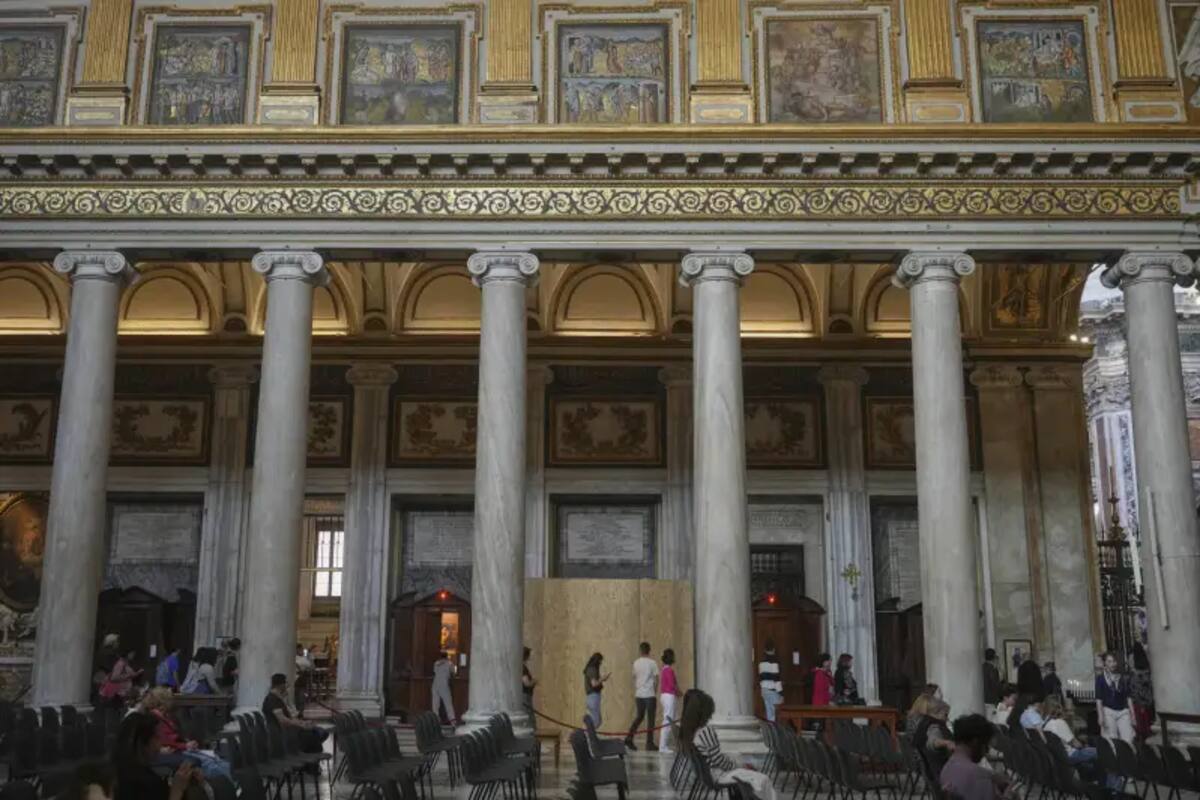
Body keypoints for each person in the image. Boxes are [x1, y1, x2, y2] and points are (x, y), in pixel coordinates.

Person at [677, 689, 779, 800]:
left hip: (711, 775)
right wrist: (740, 766)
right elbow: (719, 761)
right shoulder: (705, 732)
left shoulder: (691, 732)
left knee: (749, 772)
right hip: (719, 775)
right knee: (764, 779)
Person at [141, 688, 232, 780]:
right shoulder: (154, 718)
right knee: (209, 762)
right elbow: (165, 741)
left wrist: (186, 743)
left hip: (179, 749)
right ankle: (232, 782)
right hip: (175, 751)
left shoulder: (162, 716)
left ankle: (234, 781)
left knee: (215, 759)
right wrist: (186, 745)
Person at [112, 712, 203, 800]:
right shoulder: (149, 784)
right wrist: (177, 790)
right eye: (157, 737)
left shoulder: (109, 775)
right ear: (143, 743)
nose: (160, 745)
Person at [941, 714, 1007, 800]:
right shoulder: (979, 777)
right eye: (986, 745)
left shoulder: (947, 769)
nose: (986, 751)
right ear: (975, 742)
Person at [263, 673, 328, 754]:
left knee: (320, 733)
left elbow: (290, 717)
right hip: (282, 735)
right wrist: (301, 725)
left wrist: (303, 723)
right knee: (317, 735)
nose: (286, 686)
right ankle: (306, 762)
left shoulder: (278, 699)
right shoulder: (272, 699)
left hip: (288, 732)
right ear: (280, 685)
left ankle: (309, 763)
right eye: (285, 683)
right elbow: (283, 721)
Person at [625, 641, 659, 751]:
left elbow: (634, 676)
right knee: (650, 720)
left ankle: (629, 737)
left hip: (639, 694)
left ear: (640, 651)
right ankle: (649, 744)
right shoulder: (652, 663)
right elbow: (656, 679)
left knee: (639, 717)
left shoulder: (636, 663)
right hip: (649, 694)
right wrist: (654, 691)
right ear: (649, 650)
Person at [1095, 652, 1134, 742]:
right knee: (1112, 740)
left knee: (1128, 739)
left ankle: (1127, 755)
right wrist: (1100, 716)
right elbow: (1099, 699)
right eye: (1109, 661)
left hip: (1123, 711)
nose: (1112, 664)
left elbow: (1128, 697)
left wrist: (1133, 715)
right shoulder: (1100, 679)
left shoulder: (1123, 677)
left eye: (1114, 661)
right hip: (1108, 711)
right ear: (1105, 663)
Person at [914, 698, 955, 775]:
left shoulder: (923, 724)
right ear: (936, 713)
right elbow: (933, 741)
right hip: (942, 772)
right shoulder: (934, 726)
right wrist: (947, 742)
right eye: (945, 715)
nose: (947, 718)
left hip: (932, 770)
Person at [1129, 643, 1154, 742]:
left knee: (1141, 728)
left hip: (1139, 704)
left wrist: (1141, 704)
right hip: (1148, 702)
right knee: (1147, 727)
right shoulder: (1147, 670)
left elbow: (1136, 689)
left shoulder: (1136, 674)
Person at [659, 648, 681, 754]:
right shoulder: (669, 670)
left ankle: (674, 743)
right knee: (667, 721)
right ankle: (663, 746)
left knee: (673, 719)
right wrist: (679, 692)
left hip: (665, 695)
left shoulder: (664, 669)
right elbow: (672, 685)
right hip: (669, 696)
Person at [758, 641, 783, 722]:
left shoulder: (761, 663)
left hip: (764, 690)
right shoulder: (774, 663)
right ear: (773, 650)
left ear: (765, 650)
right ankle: (775, 732)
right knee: (776, 714)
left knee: (769, 714)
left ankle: (771, 732)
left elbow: (761, 678)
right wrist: (781, 693)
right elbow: (776, 680)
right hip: (772, 690)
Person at [583, 652, 609, 728]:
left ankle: (587, 736)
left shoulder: (591, 669)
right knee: (595, 721)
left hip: (592, 697)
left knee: (596, 720)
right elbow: (594, 684)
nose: (601, 663)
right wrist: (602, 679)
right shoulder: (592, 669)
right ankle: (587, 736)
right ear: (597, 660)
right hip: (593, 697)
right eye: (600, 661)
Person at [431, 651, 456, 725]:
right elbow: (453, 673)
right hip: (444, 684)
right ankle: (452, 720)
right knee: (448, 702)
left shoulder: (436, 663)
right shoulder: (450, 663)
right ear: (447, 656)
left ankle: (435, 720)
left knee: (435, 703)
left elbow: (434, 671)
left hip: (435, 684)